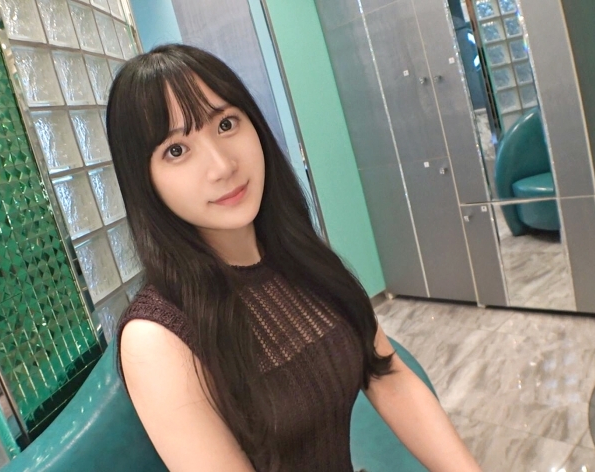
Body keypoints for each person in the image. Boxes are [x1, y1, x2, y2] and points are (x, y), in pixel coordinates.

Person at [105, 44, 480, 472]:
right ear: (144, 182)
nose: (222, 165)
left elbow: (384, 372)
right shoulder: (156, 337)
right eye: (176, 150)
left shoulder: (297, 256)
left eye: (226, 124)